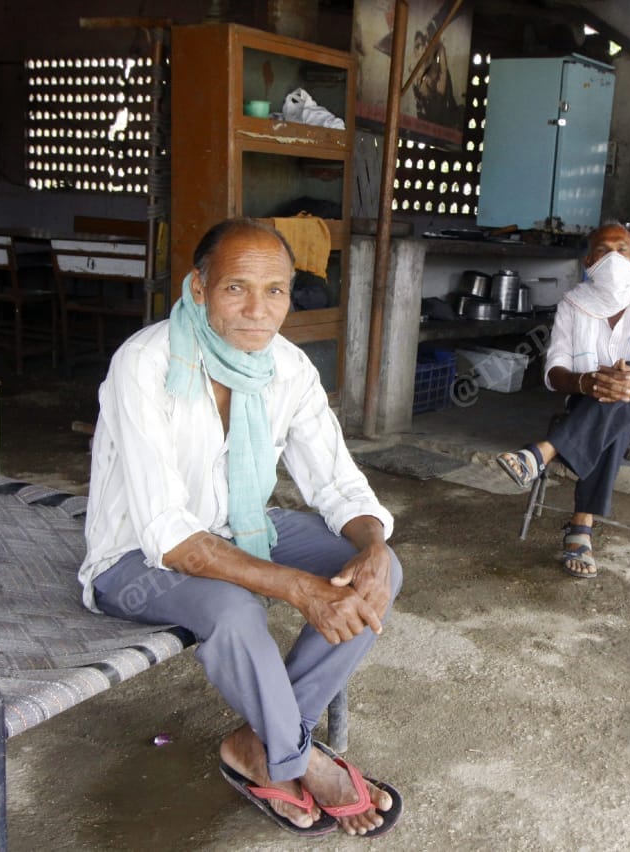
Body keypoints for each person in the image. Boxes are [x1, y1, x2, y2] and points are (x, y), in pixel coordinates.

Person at [77, 218, 403, 837]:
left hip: (243, 526)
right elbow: (169, 533)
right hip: (136, 558)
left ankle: (263, 745)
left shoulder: (287, 366)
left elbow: (335, 482)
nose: (259, 310)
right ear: (198, 289)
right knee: (234, 609)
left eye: (275, 290)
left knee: (378, 571)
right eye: (236, 289)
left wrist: (374, 545)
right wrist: (300, 589)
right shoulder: (144, 365)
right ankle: (296, 756)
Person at [495, 221, 630, 579]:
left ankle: (542, 453)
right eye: (603, 251)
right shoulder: (573, 304)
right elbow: (554, 373)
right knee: (615, 405)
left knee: (623, 384)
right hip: (597, 407)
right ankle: (580, 528)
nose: (613, 258)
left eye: (622, 250)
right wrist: (587, 382)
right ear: (589, 261)